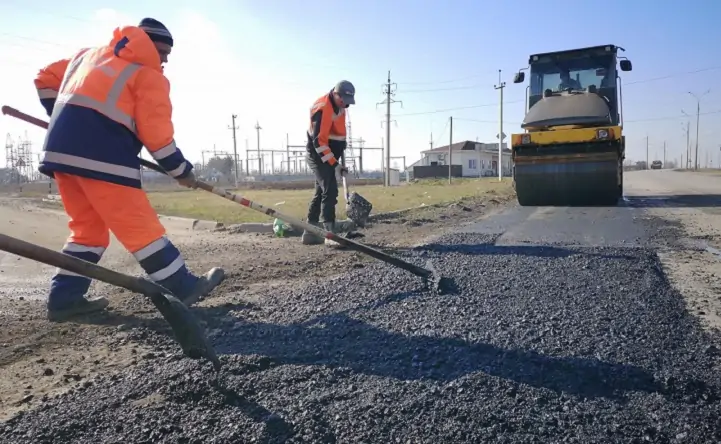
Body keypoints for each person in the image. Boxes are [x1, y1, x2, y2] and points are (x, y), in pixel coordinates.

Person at [33, 18, 225, 322]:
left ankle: (64, 298)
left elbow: (44, 78)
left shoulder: (87, 56)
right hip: (103, 158)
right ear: (153, 47)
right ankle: (181, 285)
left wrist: (63, 118)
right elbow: (158, 139)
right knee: (139, 225)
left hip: (62, 155)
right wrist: (181, 171)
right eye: (164, 54)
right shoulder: (148, 76)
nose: (164, 61)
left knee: (88, 231)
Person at [302, 81, 356, 247]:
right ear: (336, 94)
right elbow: (319, 142)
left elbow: (337, 132)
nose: (346, 104)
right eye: (344, 100)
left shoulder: (340, 105)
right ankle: (329, 233)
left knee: (321, 191)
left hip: (329, 152)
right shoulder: (323, 107)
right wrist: (335, 164)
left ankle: (310, 233)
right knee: (330, 189)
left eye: (348, 100)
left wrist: (342, 146)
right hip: (318, 153)